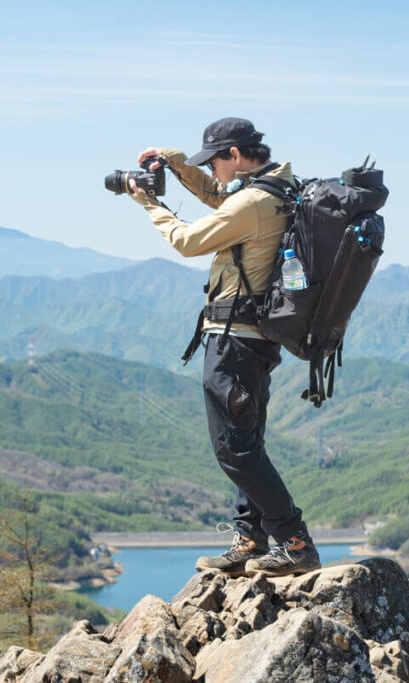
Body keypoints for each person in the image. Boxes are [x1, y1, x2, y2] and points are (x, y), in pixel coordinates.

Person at [125, 117, 320, 577]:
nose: (212, 170)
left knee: (234, 449)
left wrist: (150, 204)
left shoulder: (252, 201)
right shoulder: (277, 188)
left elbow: (188, 240)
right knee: (246, 443)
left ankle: (294, 541)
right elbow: (218, 198)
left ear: (234, 154)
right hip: (257, 338)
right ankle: (251, 537)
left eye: (214, 160)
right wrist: (175, 162)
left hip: (234, 339)